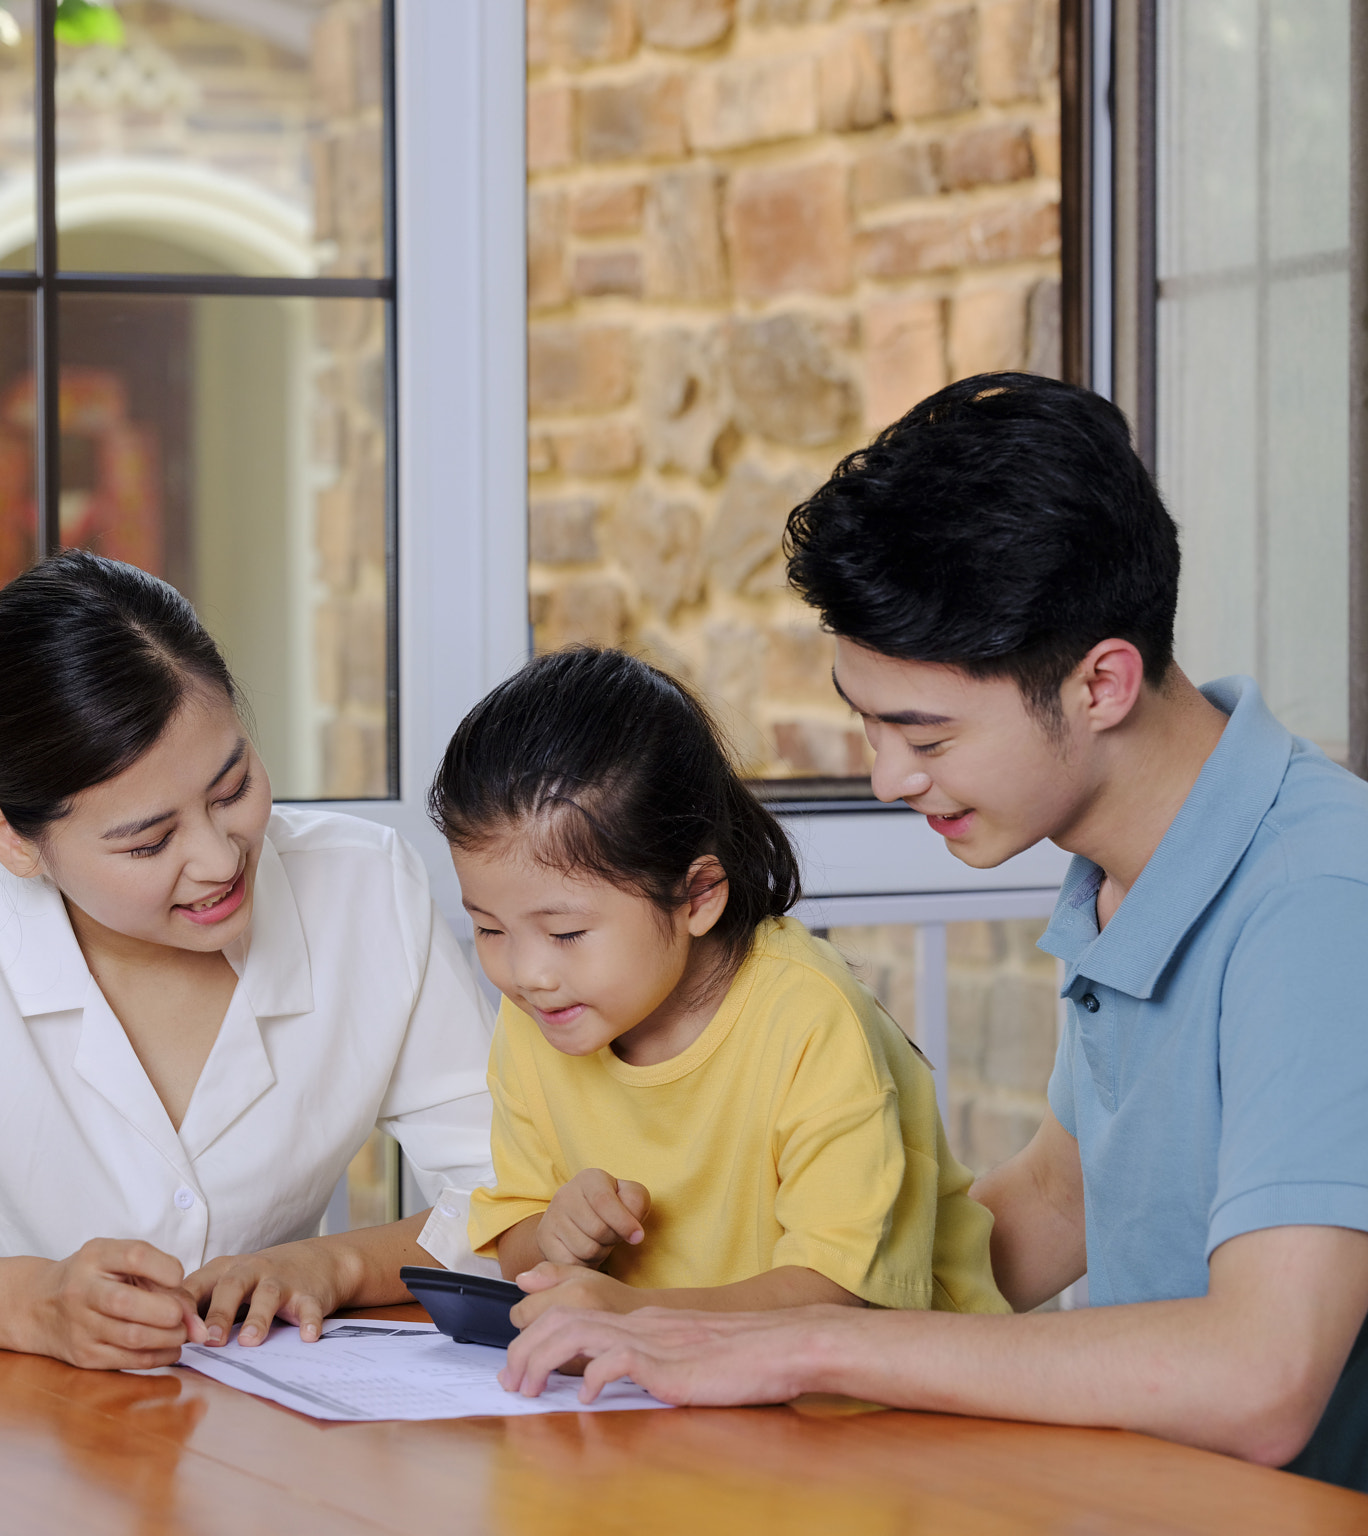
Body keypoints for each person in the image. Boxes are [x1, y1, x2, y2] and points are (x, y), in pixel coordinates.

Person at [498, 373, 1368, 1492]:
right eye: (866, 724)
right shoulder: (1129, 867)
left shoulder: (1318, 897)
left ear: (1099, 681)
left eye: (925, 734)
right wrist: (678, 1317)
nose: (886, 777)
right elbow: (1057, 1202)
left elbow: (1261, 1380)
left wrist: (809, 1344)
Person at [0, 551, 494, 1369]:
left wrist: (333, 1263)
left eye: (232, 789)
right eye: (149, 841)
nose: (217, 858)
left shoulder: (363, 888)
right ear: (11, 839)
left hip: (254, 1452)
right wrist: (26, 1306)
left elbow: (519, 1194)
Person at [430, 648, 1008, 1326]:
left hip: (892, 1403)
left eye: (565, 934)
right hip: (676, 1393)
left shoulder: (808, 1017)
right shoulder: (541, 1015)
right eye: (490, 931)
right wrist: (557, 1234)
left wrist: (636, 1319)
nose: (526, 975)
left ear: (697, 895)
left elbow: (838, 1295)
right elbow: (519, 1247)